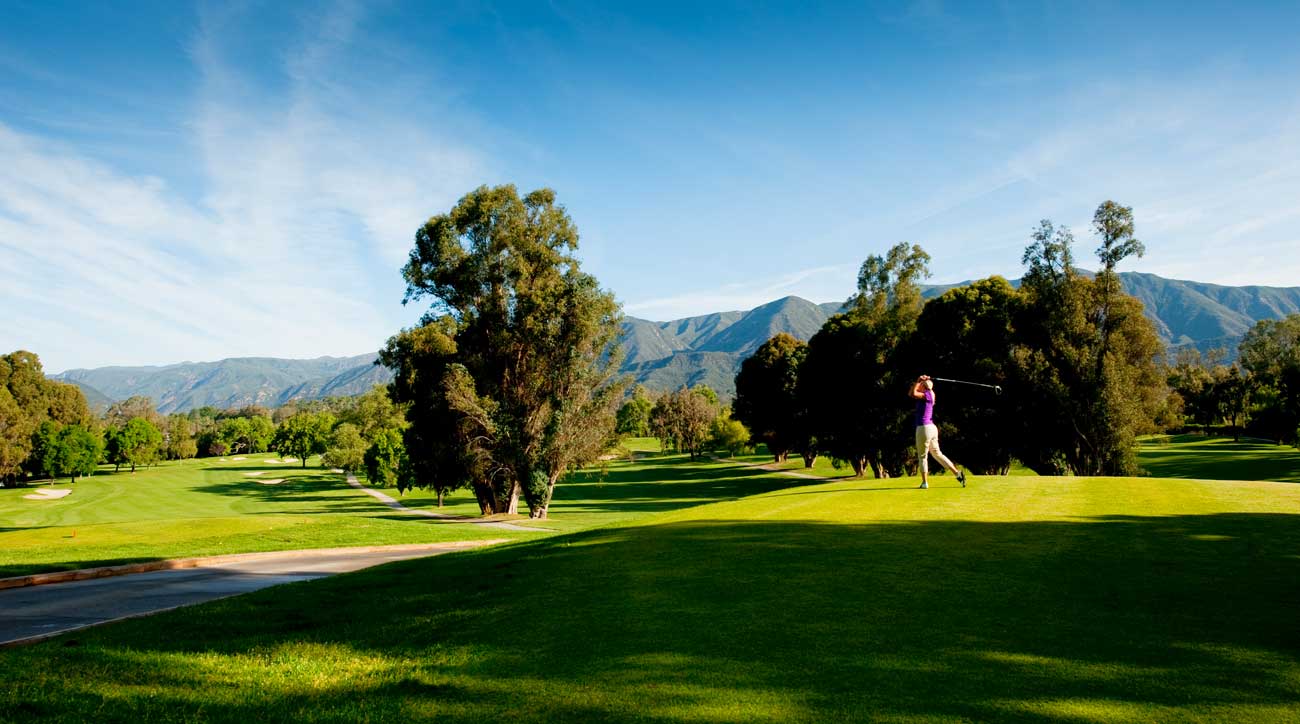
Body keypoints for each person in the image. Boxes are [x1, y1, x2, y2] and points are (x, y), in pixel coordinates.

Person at [910, 375, 967, 489]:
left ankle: (925, 483)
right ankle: (957, 474)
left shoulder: (925, 395)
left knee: (922, 456)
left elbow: (912, 394)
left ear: (924, 387)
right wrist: (923, 381)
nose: (919, 387)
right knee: (937, 453)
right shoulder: (931, 394)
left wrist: (918, 380)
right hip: (931, 428)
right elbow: (914, 393)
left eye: (921, 386)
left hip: (923, 428)